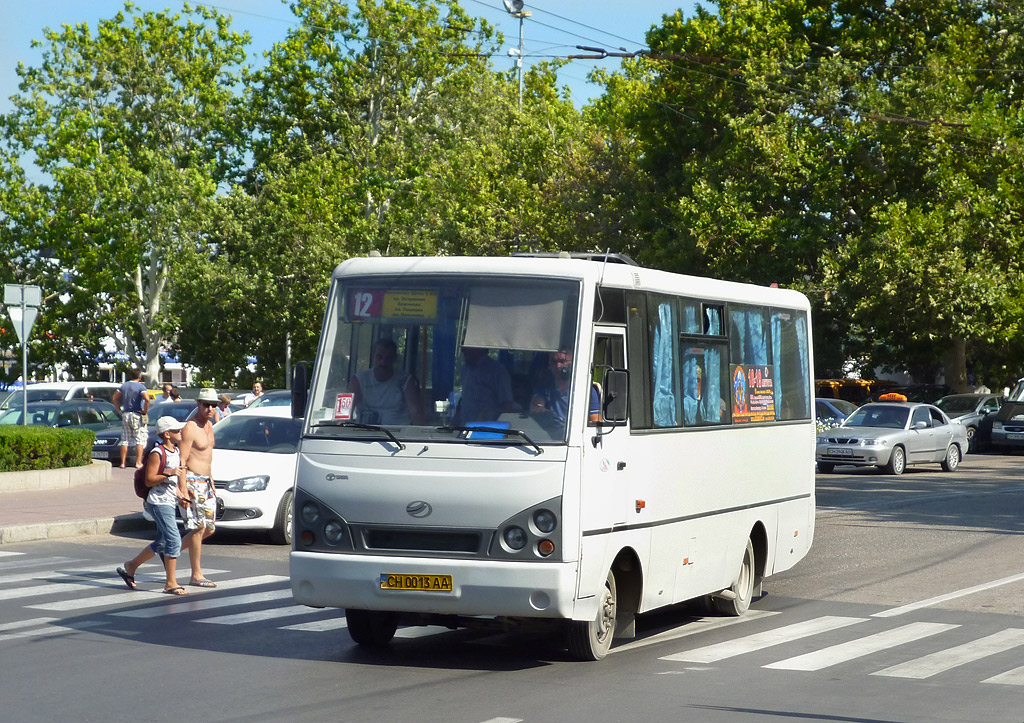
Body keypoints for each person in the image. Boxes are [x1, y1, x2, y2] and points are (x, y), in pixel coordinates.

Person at [116, 416, 190, 595]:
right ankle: (170, 583)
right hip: (158, 503)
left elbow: (175, 479)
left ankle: (131, 566)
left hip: (169, 501)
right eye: (176, 430)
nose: (180, 432)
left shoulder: (176, 450)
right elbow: (149, 480)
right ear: (166, 434)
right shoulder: (157, 453)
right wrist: (168, 473)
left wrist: (181, 494)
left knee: (163, 541)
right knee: (173, 540)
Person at [179, 387, 219, 588]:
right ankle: (196, 574)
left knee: (209, 529)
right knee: (197, 528)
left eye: (213, 405)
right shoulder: (190, 427)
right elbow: (182, 460)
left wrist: (212, 481)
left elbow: (208, 457)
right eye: (206, 405)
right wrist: (183, 488)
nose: (210, 408)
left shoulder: (209, 425)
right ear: (198, 404)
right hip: (193, 481)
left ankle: (170, 550)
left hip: (207, 482)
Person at [349, 339, 425, 424]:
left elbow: (416, 414)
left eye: (388, 358)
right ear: (373, 356)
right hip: (363, 433)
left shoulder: (406, 381)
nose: (383, 362)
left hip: (399, 435)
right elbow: (344, 413)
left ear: (395, 358)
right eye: (379, 357)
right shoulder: (358, 380)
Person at [530, 348, 600, 426]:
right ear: (549, 365)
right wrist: (540, 408)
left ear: (572, 363)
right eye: (554, 362)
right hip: (550, 431)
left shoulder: (586, 390)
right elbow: (536, 404)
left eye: (562, 361)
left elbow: (595, 421)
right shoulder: (544, 385)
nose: (558, 365)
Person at [458, 347, 521, 423]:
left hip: (487, 429)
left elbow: (507, 404)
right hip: (463, 428)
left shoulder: (497, 370)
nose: (463, 350)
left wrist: (487, 418)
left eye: (467, 346)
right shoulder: (465, 369)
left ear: (480, 348)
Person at [112, 368, 151, 469]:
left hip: (126, 414)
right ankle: (138, 462)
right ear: (140, 377)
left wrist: (118, 409)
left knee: (125, 439)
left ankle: (123, 463)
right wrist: (145, 410)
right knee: (139, 438)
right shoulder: (140, 386)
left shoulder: (124, 386)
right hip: (136, 414)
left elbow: (114, 397)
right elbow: (147, 399)